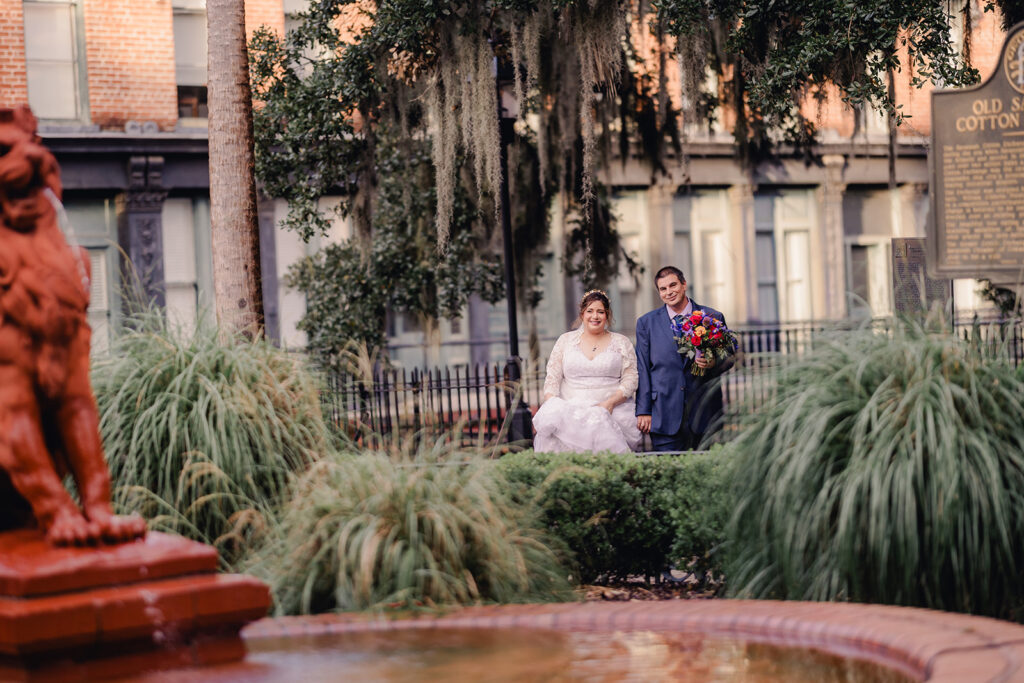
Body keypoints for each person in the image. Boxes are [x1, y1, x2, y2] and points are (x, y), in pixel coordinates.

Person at [532, 290, 642, 453]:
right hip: (571, 409)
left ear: (608, 315)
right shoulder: (565, 341)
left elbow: (631, 378)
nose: (595, 316)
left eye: (600, 312)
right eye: (590, 311)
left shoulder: (621, 342)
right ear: (582, 314)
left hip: (611, 408)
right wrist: (554, 405)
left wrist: (610, 403)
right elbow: (552, 377)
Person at [635, 266, 731, 451]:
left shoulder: (711, 317)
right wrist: (644, 410)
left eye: (673, 285)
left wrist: (712, 362)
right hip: (663, 413)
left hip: (704, 412)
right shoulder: (646, 323)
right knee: (669, 475)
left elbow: (729, 357)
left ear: (684, 284)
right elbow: (643, 368)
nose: (669, 292)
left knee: (705, 472)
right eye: (663, 289)